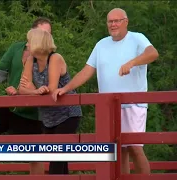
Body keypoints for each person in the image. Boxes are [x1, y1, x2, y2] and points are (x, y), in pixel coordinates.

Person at [52, 8, 159, 174]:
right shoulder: (101, 44)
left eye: (117, 21)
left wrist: (132, 62)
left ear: (126, 22)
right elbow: (87, 71)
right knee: (118, 151)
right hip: (109, 105)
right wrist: (65, 88)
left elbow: (153, 54)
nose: (113, 24)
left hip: (133, 104)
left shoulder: (137, 38)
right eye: (110, 21)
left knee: (135, 148)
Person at [0, 17, 52, 175]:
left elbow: (47, 87)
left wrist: (22, 91)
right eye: (42, 33)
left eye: (48, 34)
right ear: (31, 34)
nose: (45, 37)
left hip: (33, 113)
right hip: (12, 107)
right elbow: (1, 69)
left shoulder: (51, 57)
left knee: (35, 156)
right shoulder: (16, 49)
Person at [18, 28, 83, 174]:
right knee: (58, 158)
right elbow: (21, 89)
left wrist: (33, 88)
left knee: (57, 157)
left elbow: (52, 89)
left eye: (29, 42)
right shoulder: (30, 60)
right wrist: (35, 91)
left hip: (67, 114)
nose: (27, 45)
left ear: (37, 43)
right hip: (47, 116)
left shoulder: (55, 58)